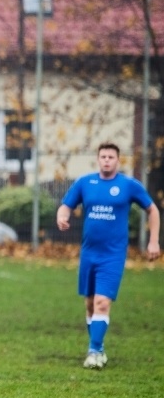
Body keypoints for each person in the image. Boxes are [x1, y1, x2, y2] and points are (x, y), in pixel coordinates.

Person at [56, 142, 160, 370]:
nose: (106, 160)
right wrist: (62, 217)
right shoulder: (85, 182)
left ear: (118, 160)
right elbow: (65, 205)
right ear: (98, 159)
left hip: (112, 256)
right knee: (91, 304)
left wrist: (153, 241)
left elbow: (152, 209)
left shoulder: (128, 185)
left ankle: (93, 352)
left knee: (103, 303)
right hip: (89, 253)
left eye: (110, 157)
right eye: (103, 156)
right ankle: (99, 346)